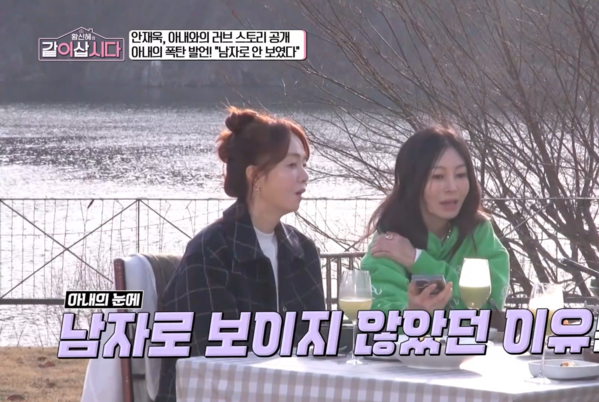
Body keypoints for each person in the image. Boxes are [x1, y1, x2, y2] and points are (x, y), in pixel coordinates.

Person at [155, 107, 326, 402]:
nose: (304, 176)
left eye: (304, 164)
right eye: (291, 165)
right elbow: (214, 357)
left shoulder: (303, 251)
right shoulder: (211, 250)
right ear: (255, 176)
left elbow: (316, 342)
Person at [360, 126, 510, 320]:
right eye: (438, 176)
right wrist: (413, 315)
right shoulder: (389, 243)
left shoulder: (479, 232)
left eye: (460, 175)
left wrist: (418, 260)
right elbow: (376, 319)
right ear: (412, 182)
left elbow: (490, 309)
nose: (452, 187)